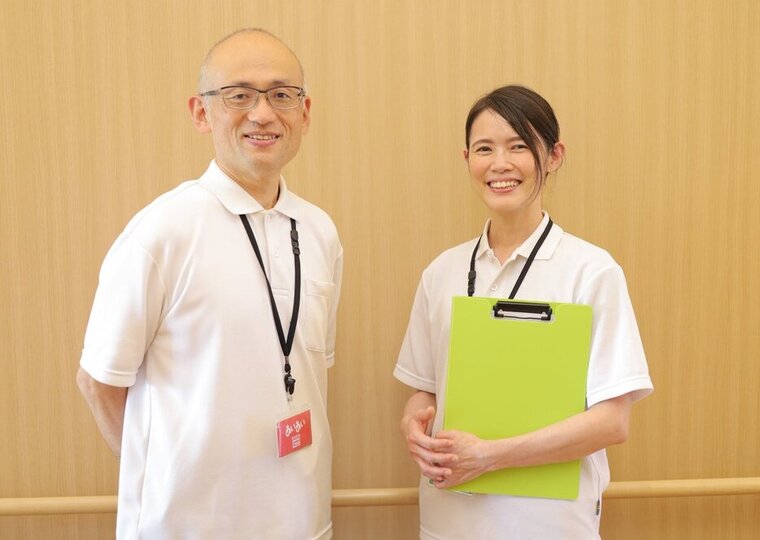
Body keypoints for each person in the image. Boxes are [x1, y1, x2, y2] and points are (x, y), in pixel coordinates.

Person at [76, 28, 342, 539]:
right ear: (201, 113)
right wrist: (165, 477)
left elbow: (309, 372)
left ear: (305, 113)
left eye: (281, 95)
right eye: (239, 95)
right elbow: (99, 381)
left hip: (301, 520)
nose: (262, 113)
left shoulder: (319, 231)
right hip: (186, 526)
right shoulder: (162, 232)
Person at [394, 85, 653, 539]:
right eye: (484, 149)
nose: (500, 164)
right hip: (449, 517)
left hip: (548, 523)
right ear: (467, 159)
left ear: (553, 156)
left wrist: (490, 455)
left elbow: (612, 422)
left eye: (518, 146)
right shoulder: (441, 272)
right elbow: (425, 390)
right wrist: (413, 424)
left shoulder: (591, 271)